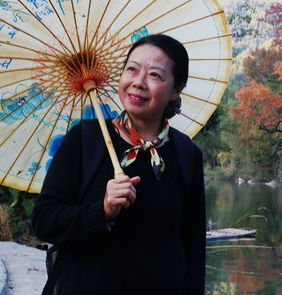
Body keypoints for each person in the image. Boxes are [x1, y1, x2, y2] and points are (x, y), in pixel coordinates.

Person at [31, 34, 206, 294]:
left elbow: (193, 249)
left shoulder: (186, 154)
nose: (138, 82)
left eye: (155, 75)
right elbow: (43, 221)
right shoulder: (84, 140)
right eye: (132, 69)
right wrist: (101, 211)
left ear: (176, 90)